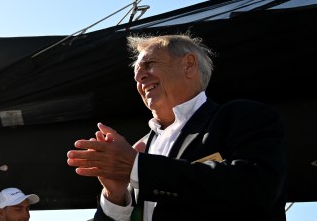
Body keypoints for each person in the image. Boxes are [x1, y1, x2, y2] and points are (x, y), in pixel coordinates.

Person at [66, 34, 287, 221]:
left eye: (149, 65)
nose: (139, 77)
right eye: (136, 74)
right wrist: (115, 196)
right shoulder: (140, 148)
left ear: (189, 65)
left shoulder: (241, 116)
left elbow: (256, 188)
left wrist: (138, 168)